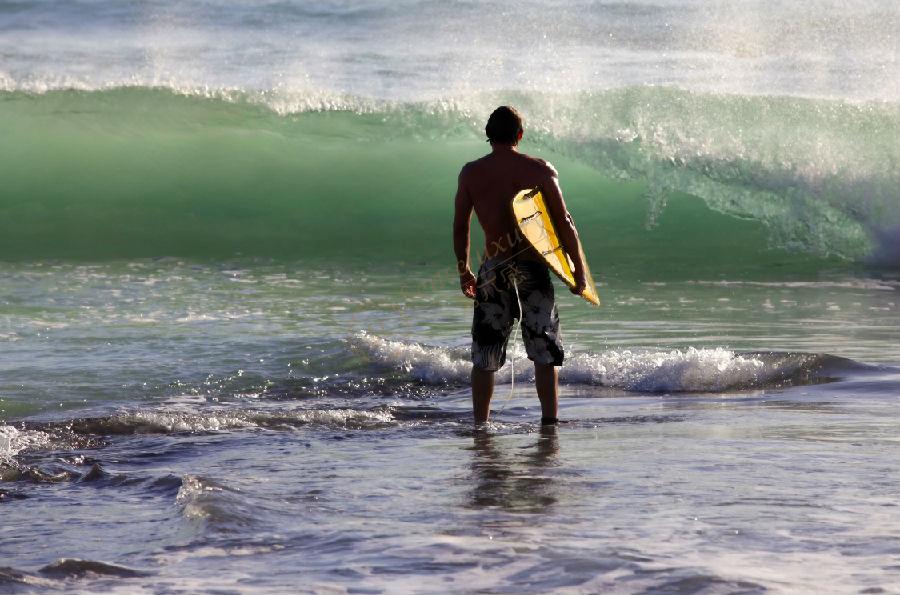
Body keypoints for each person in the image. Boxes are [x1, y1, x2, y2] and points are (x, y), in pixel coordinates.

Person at [453, 105, 587, 425]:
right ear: (520, 135)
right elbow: (564, 222)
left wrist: (464, 270)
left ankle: (480, 425)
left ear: (488, 134)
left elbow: (461, 226)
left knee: (485, 356)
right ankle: (549, 424)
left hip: (493, 270)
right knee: (544, 353)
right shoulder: (539, 170)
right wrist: (578, 271)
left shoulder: (470, 173)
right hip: (532, 270)